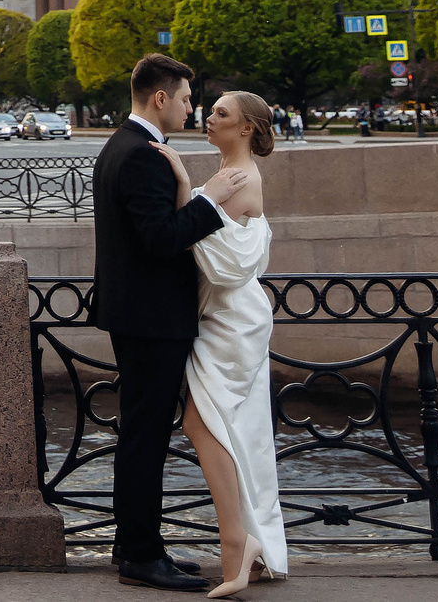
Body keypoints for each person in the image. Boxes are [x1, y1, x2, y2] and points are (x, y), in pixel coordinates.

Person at [87, 53, 252, 592]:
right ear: (160, 98)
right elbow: (160, 240)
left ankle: (136, 545)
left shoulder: (123, 146)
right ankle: (139, 554)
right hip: (151, 317)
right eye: (185, 98)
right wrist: (211, 202)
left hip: (137, 313)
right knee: (145, 437)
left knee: (142, 432)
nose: (190, 107)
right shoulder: (142, 155)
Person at [153, 90, 286, 596]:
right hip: (225, 316)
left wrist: (191, 188)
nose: (209, 118)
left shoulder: (238, 179)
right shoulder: (229, 177)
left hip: (231, 319)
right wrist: (194, 188)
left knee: (203, 422)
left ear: (247, 127)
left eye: (221, 114)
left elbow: (220, 264)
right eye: (209, 111)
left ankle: (238, 547)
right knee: (235, 429)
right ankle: (248, 543)